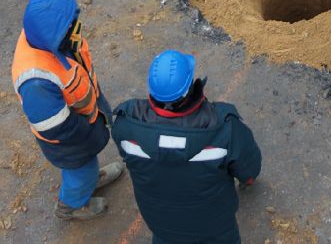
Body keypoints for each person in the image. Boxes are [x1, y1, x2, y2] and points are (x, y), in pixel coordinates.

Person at [112, 50, 263, 244]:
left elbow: (127, 156)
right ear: (191, 86)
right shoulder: (225, 128)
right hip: (215, 226)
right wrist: (248, 179)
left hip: (161, 224)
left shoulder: (126, 124)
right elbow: (249, 168)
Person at [11, 0, 126, 220]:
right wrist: (91, 135)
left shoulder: (47, 35)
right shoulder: (36, 83)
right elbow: (59, 128)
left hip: (82, 124)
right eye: (70, 25)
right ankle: (71, 206)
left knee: (86, 168)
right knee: (80, 172)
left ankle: (91, 179)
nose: (76, 26)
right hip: (70, 141)